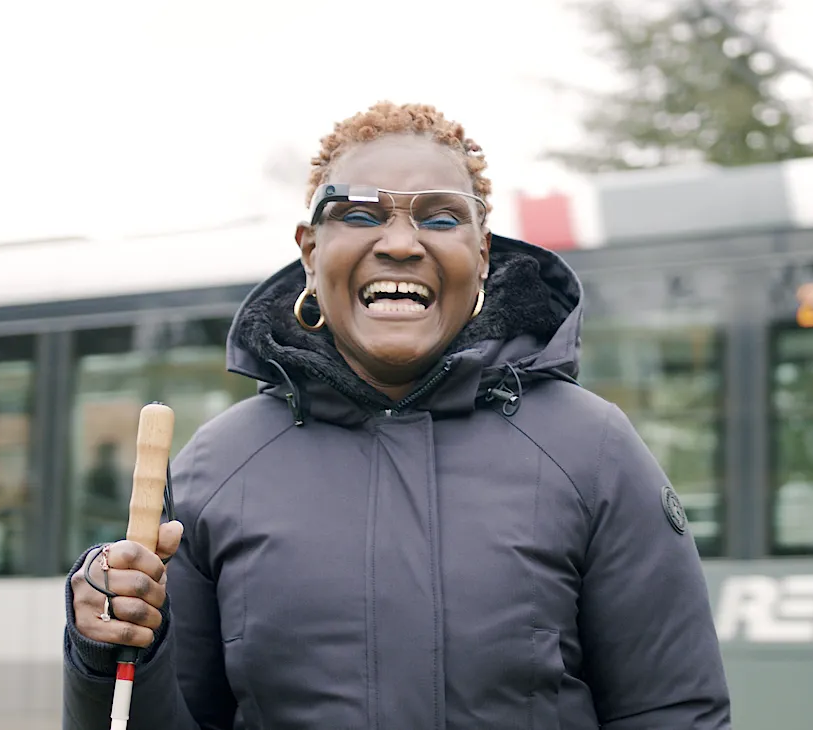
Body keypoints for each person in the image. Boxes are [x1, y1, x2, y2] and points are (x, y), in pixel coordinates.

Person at [61, 101, 732, 729]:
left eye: (441, 217)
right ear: (310, 251)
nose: (402, 243)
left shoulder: (593, 451)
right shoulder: (217, 468)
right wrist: (105, 648)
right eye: (358, 214)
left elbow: (673, 711)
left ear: (483, 255)